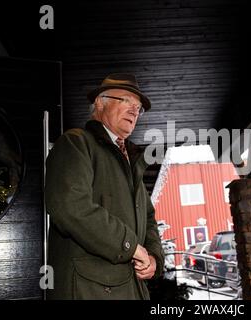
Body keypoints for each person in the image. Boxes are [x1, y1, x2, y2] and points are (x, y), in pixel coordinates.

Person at [45, 73, 164, 299]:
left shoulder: (132, 159)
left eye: (138, 107)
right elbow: (70, 206)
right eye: (126, 101)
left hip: (132, 289)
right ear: (100, 102)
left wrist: (154, 257)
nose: (134, 110)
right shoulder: (75, 142)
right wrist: (129, 245)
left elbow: (148, 217)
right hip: (89, 290)